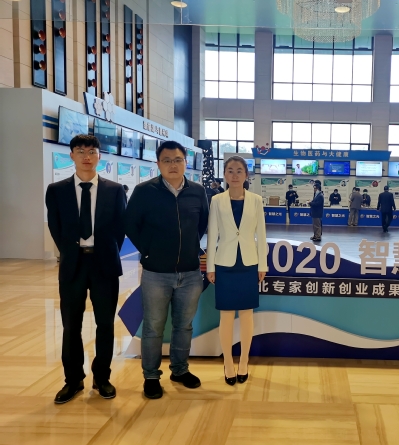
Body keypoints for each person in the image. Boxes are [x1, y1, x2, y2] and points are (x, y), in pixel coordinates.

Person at [124, 140, 209, 400]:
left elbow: (203, 224)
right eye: (167, 160)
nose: (173, 165)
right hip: (156, 273)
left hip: (190, 273)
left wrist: (190, 249)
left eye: (178, 160)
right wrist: (148, 251)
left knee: (184, 326)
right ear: (158, 163)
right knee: (153, 327)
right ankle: (151, 376)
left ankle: (180, 370)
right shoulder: (144, 191)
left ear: (185, 162)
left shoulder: (197, 191)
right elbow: (131, 224)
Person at [45, 134, 126, 404]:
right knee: (71, 325)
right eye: (80, 151)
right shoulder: (56, 190)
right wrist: (72, 251)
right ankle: (73, 380)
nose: (86, 156)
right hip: (73, 265)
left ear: (99, 156)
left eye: (91, 151)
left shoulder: (115, 190)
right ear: (71, 155)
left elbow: (119, 229)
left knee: (105, 324)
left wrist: (105, 250)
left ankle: (102, 378)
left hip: (104, 264)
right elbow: (56, 227)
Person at [207, 156, 267, 386]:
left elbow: (261, 234)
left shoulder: (256, 200)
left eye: (239, 170)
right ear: (224, 174)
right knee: (226, 316)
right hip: (224, 263)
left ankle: (243, 362)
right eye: (230, 170)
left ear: (246, 175)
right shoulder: (217, 200)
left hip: (249, 263)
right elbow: (212, 235)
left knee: (247, 315)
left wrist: (262, 265)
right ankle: (228, 364)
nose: (234, 175)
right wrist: (210, 266)